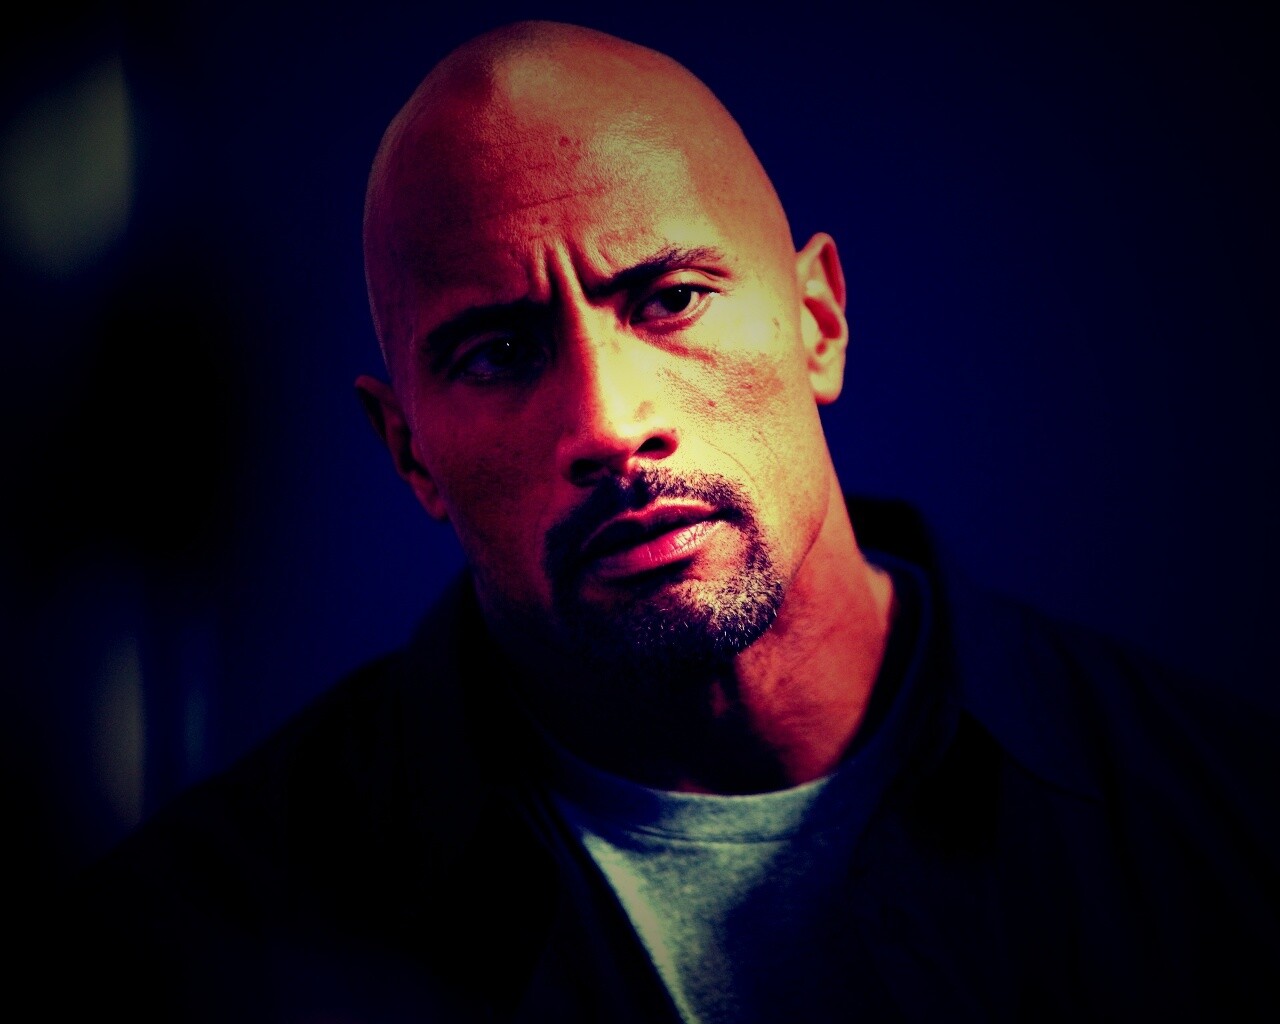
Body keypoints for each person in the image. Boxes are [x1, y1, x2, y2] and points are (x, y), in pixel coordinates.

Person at [52, 19, 1277, 1023]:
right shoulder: (178, 953)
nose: (607, 421)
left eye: (671, 299)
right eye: (496, 353)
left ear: (818, 323)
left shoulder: (1226, 836)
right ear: (409, 451)